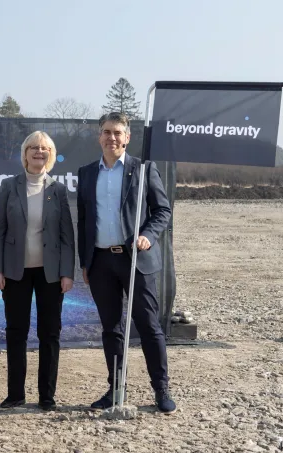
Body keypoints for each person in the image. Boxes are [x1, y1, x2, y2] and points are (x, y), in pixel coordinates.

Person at [76, 112, 177, 414]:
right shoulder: (87, 173)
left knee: (148, 327)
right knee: (111, 329)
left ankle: (161, 390)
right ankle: (116, 388)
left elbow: (162, 210)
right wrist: (86, 261)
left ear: (127, 137)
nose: (112, 138)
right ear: (99, 136)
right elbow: (83, 220)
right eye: (107, 132)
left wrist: (147, 234)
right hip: (101, 262)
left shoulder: (144, 170)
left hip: (137, 261)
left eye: (118, 132)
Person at [0, 131, 75, 411]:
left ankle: (46, 397)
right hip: (15, 272)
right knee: (16, 332)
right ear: (25, 153)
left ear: (51, 154)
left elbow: (66, 236)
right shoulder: (8, 186)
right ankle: (15, 394)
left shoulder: (58, 190)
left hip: (50, 274)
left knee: (50, 334)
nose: (39, 152)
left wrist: (67, 273)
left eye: (45, 148)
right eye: (34, 148)